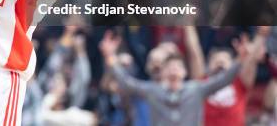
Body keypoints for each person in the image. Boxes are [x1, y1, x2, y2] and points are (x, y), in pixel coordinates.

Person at [99, 31, 248, 126]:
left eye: (177, 66)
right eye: (169, 67)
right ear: (163, 73)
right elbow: (126, 83)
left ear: (184, 72)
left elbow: (224, 80)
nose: (174, 70)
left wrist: (241, 59)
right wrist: (110, 57)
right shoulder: (152, 90)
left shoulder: (196, 89)